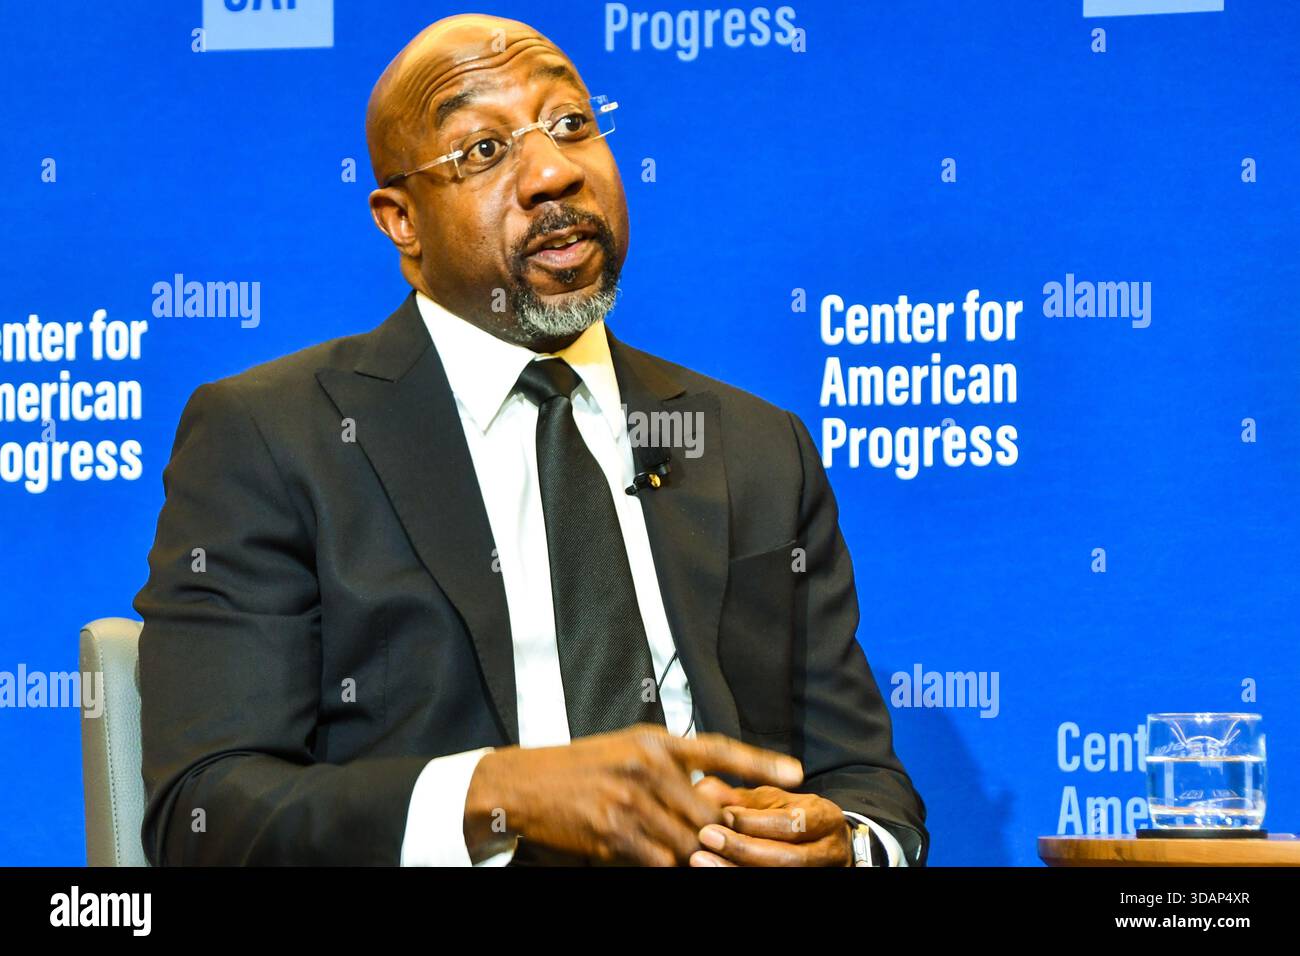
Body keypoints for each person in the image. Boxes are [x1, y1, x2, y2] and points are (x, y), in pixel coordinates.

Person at [135, 13, 927, 867]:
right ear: (402, 220)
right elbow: (205, 812)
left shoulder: (753, 445)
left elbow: (865, 784)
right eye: (483, 151)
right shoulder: (274, 437)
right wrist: (502, 795)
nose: (553, 172)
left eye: (571, 126)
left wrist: (844, 845)